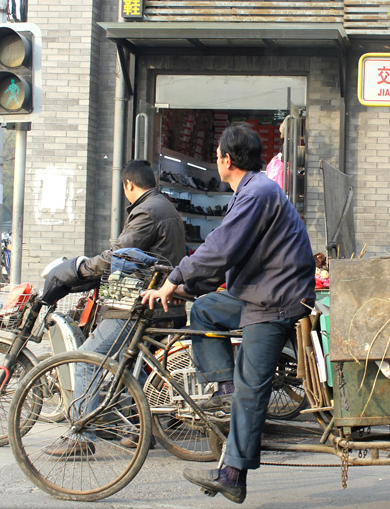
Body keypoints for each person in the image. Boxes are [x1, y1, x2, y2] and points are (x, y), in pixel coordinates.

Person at [142, 122, 315, 505]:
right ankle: (225, 388)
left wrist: (175, 279)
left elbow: (220, 248)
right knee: (205, 309)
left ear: (227, 160)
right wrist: (188, 288)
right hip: (259, 292)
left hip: (275, 301)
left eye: (217, 154)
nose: (216, 159)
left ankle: (233, 475)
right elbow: (227, 254)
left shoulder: (257, 193)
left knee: (251, 389)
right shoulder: (251, 191)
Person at [42, 159, 186, 457]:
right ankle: (142, 428)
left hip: (138, 306)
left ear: (128, 185)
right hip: (163, 304)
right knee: (132, 366)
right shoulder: (165, 207)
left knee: (87, 358)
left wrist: (80, 268)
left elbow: (120, 255)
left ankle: (81, 435)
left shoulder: (147, 211)